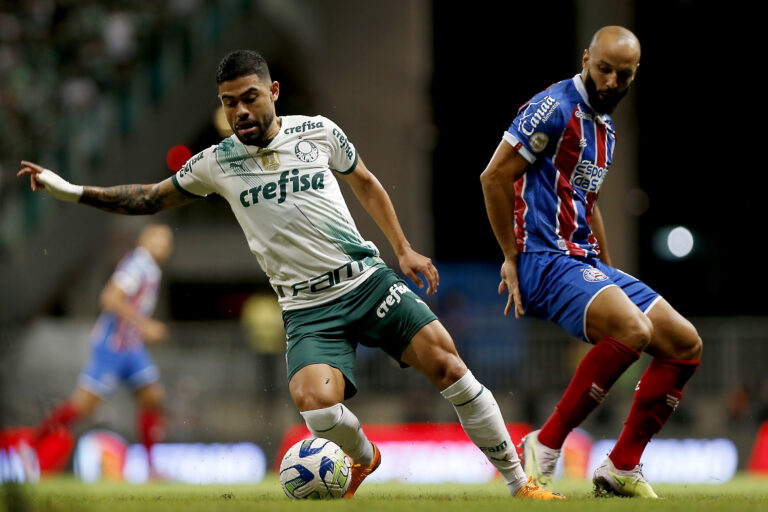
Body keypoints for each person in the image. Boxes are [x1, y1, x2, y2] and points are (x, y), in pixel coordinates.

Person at [18, 50, 562, 500]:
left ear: (273, 92)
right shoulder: (214, 163)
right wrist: (70, 190)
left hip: (366, 281)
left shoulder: (318, 132)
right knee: (314, 405)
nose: (240, 112)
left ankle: (519, 483)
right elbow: (148, 199)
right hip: (307, 309)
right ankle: (365, 456)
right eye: (229, 103)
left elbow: (366, 182)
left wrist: (403, 249)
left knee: (447, 364)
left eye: (249, 98)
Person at [479, 26, 702, 498]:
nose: (611, 82)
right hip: (544, 258)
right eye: (603, 69)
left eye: (623, 75)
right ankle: (546, 442)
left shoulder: (605, 127)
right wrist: (510, 256)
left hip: (581, 260)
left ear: (634, 74)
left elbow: (587, 200)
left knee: (684, 343)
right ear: (586, 59)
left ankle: (621, 467)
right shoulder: (553, 107)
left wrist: (609, 272)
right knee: (634, 331)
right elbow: (494, 176)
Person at [34, 224, 173, 474]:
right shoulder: (137, 265)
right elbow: (109, 298)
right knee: (83, 408)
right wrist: (146, 325)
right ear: (145, 240)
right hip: (112, 347)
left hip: (132, 348)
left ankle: (152, 469)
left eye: (167, 242)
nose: (164, 246)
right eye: (158, 239)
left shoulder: (150, 268)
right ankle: (34, 442)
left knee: (153, 399)